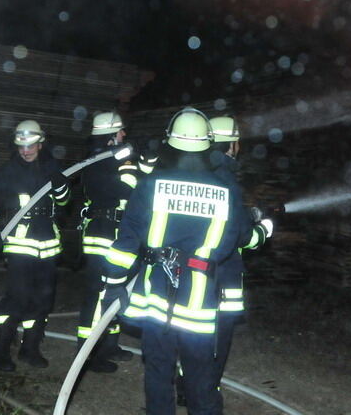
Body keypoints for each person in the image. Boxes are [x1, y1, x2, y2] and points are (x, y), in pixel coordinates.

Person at [99, 108, 249, 415]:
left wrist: (113, 285)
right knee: (201, 379)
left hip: (157, 298)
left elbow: (126, 244)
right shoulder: (228, 189)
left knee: (158, 372)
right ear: (208, 143)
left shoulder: (150, 185)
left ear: (170, 141)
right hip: (201, 301)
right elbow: (237, 238)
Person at [0, 120, 70, 372]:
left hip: (49, 246)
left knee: (42, 301)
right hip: (20, 245)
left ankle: (30, 349)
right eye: (21, 147)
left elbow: (63, 202)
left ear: (40, 143)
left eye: (30, 146)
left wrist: (61, 184)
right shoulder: (8, 172)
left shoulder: (52, 167)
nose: (25, 151)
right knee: (16, 300)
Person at [205, 116, 273, 407]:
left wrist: (247, 215)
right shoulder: (227, 179)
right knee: (218, 336)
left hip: (194, 272)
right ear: (232, 144)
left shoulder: (200, 172)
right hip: (223, 272)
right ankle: (205, 391)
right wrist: (263, 229)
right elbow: (241, 236)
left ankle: (187, 382)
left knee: (195, 334)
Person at [76, 111, 136, 373]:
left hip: (115, 232)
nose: (124, 135)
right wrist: (130, 165)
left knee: (114, 293)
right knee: (97, 295)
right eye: (120, 132)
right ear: (111, 136)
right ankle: (88, 354)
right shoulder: (97, 163)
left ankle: (109, 345)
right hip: (101, 235)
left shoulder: (110, 158)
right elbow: (127, 188)